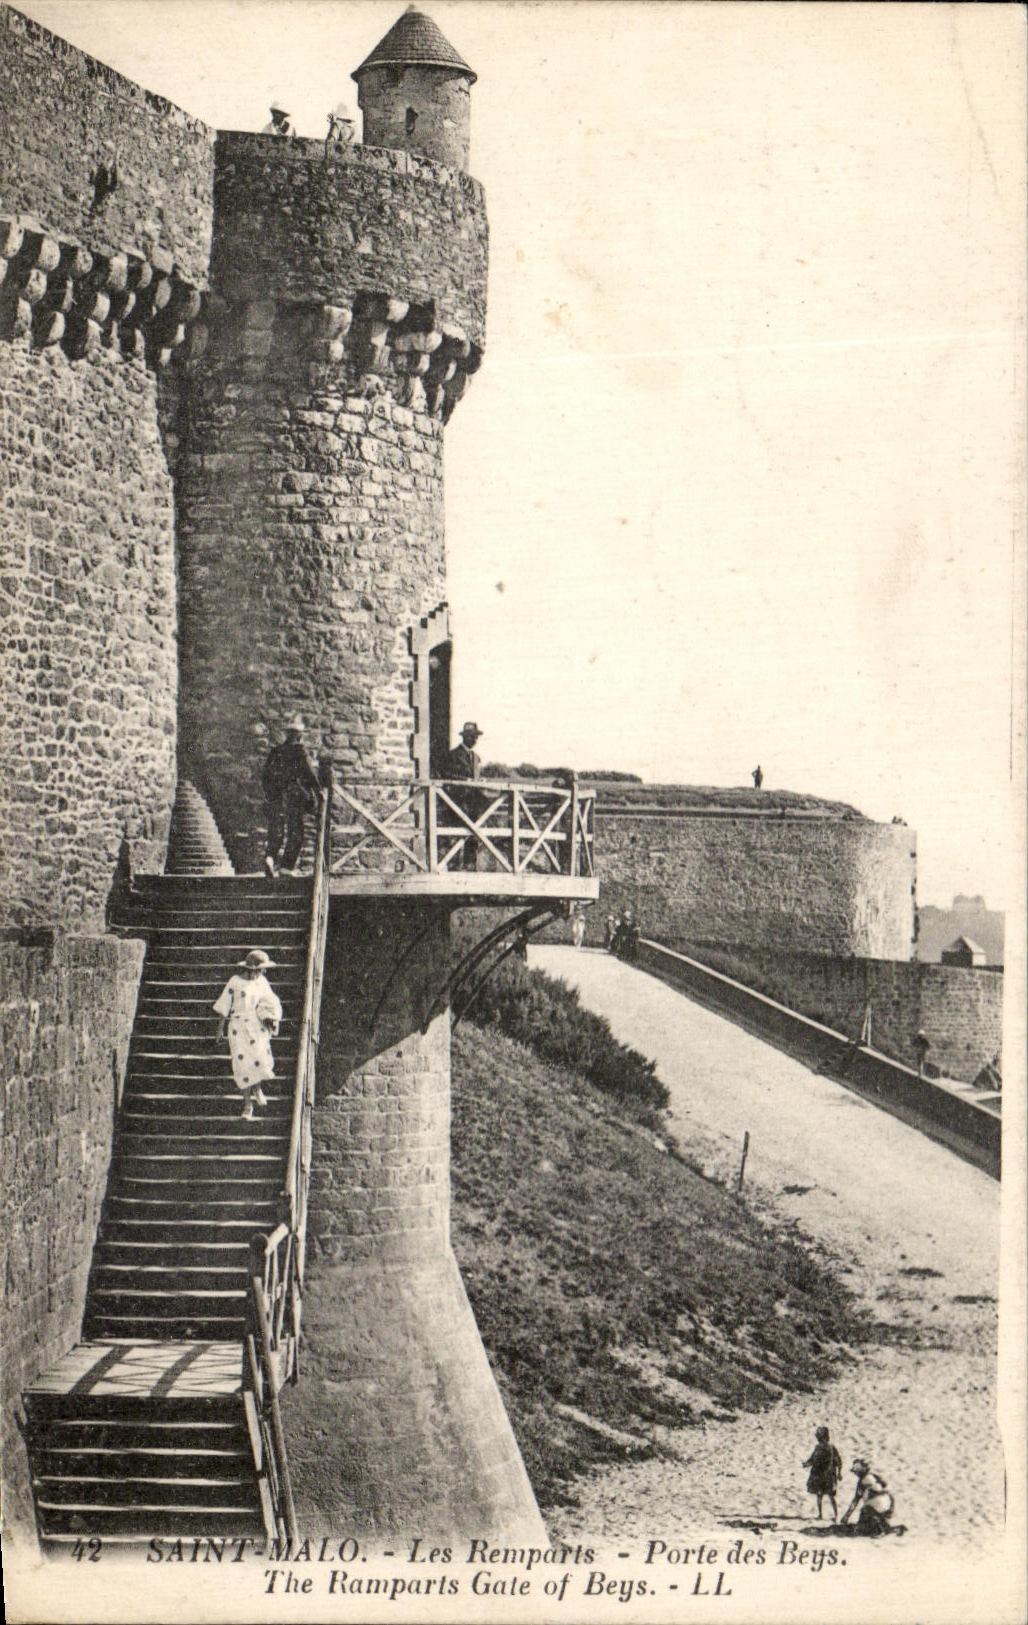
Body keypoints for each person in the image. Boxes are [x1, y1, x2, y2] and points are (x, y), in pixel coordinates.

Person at [213, 950, 283, 1120]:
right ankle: (247, 1105)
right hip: (238, 1027)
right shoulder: (235, 982)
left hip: (256, 1026)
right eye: (261, 969)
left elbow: (271, 1002)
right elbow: (224, 1005)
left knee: (259, 1059)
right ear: (251, 969)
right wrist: (220, 1029)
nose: (263, 972)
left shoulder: (262, 982)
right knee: (243, 1066)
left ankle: (257, 1088)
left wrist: (272, 1018)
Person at [262, 715, 321, 877]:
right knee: (296, 831)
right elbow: (310, 775)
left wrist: (270, 793)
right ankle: (286, 867)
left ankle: (270, 858)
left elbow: (265, 775)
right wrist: (318, 790)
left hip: (276, 795)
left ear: (287, 735)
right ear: (299, 735)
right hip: (294, 795)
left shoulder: (276, 752)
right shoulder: (300, 752)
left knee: (277, 830)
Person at [443, 721, 485, 870]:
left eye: (476, 737)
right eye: (472, 737)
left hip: (473, 804)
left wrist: (481, 781)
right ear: (465, 737)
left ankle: (470, 868)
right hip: (458, 803)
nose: (474, 740)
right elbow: (447, 775)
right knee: (455, 836)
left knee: (472, 836)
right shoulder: (454, 755)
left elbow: (477, 776)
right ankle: (453, 868)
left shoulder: (476, 758)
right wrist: (464, 780)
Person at [841, 1459, 896, 1536]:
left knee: (863, 1522)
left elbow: (855, 1501)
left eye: (856, 1472)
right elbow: (889, 1491)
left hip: (874, 1508)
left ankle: (880, 1529)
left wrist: (846, 1516)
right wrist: (892, 1507)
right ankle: (882, 1523)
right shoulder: (875, 1476)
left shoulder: (861, 1483)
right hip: (887, 1505)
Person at [803, 1425, 843, 1521]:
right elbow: (813, 1459)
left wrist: (839, 1473)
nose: (818, 1438)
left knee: (829, 1495)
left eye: (819, 1436)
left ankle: (836, 1515)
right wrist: (807, 1464)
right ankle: (821, 1515)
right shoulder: (818, 1447)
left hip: (827, 1474)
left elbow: (838, 1461)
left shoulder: (831, 1448)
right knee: (820, 1494)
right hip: (819, 1474)